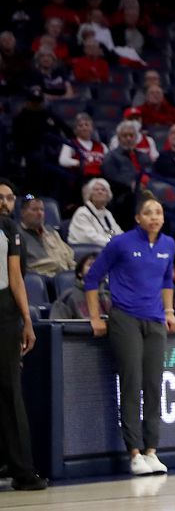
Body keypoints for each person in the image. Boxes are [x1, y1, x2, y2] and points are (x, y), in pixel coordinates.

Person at [83, 194, 175, 475]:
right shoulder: (121, 243)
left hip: (155, 320)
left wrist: (169, 310)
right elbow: (92, 278)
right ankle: (134, 452)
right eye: (148, 212)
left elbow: (166, 279)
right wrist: (94, 317)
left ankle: (152, 450)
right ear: (138, 218)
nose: (154, 217)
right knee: (131, 382)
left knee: (153, 384)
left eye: (159, 212)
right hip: (125, 317)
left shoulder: (169, 244)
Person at [0, 179, 46, 490]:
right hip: (4, 311)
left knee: (7, 390)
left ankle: (18, 466)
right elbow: (15, 276)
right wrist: (25, 321)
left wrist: (26, 322)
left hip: (4, 312)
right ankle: (17, 467)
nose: (5, 202)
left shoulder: (9, 227)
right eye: (0, 197)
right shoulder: (8, 227)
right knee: (7, 391)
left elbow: (16, 277)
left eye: (9, 197)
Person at [17, 193, 75, 277]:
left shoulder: (51, 231)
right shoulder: (17, 234)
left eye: (42, 210)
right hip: (43, 279)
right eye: (34, 210)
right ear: (23, 212)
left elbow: (69, 257)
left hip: (64, 277)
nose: (40, 213)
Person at [67, 177, 124, 247]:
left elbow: (118, 232)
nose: (100, 192)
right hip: (86, 252)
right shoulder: (82, 213)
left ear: (108, 195)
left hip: (107, 248)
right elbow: (90, 238)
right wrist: (115, 244)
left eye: (103, 190)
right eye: (96, 190)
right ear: (90, 195)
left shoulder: (107, 214)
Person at [51, 252, 102, 319]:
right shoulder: (67, 298)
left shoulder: (109, 297)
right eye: (90, 265)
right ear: (80, 273)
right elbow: (58, 326)